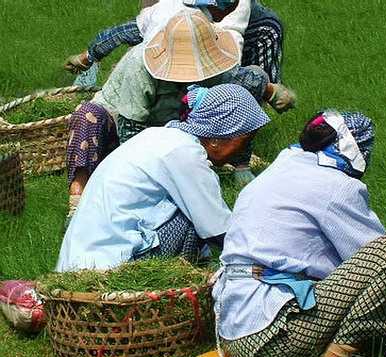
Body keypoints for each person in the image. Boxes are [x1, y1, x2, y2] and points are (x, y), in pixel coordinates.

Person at [212, 110, 386, 357]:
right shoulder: (334, 185)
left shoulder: (281, 168)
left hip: (231, 329)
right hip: (271, 340)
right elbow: (380, 261)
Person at [65, 9, 295, 220]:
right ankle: (78, 199)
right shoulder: (139, 65)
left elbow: (243, 81)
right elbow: (131, 130)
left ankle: (235, 166)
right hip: (122, 129)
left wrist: (272, 92)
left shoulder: (216, 65)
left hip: (176, 131)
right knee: (86, 115)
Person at [57, 84, 270, 272]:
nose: (244, 150)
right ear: (216, 139)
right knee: (190, 219)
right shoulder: (184, 153)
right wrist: (265, 260)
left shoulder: (163, 138)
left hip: (83, 258)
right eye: (245, 140)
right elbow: (219, 229)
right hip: (106, 267)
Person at [65, 0, 284, 83]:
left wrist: (266, 90)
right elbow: (124, 32)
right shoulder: (160, 14)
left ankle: (255, 109)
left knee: (269, 30)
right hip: (169, 24)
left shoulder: (232, 11)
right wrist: (90, 56)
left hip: (220, 33)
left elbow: (231, 52)